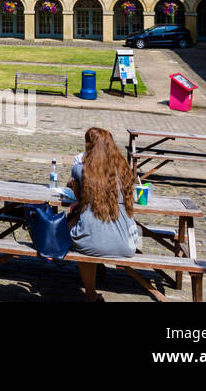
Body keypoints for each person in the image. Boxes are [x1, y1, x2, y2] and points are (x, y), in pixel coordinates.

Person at [67, 127, 140, 302]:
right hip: (127, 244)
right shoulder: (124, 172)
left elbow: (74, 187)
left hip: (90, 242)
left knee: (77, 229)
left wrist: (77, 189)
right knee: (89, 225)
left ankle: (90, 294)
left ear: (89, 146)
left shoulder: (81, 170)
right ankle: (99, 269)